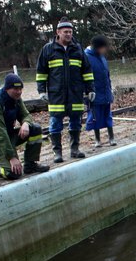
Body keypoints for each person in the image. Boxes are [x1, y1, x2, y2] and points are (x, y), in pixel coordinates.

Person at [35, 16, 95, 163]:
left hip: (75, 94)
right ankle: (57, 153)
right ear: (58, 32)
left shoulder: (78, 49)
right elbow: (41, 71)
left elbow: (86, 71)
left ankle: (74, 149)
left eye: (70, 31)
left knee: (75, 121)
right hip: (57, 95)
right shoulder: (48, 50)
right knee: (55, 123)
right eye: (65, 32)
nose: (68, 34)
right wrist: (42, 90)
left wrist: (90, 89)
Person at [0, 74, 49, 180]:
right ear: (7, 88)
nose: (19, 92)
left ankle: (30, 164)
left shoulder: (16, 98)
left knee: (35, 128)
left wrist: (26, 123)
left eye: (20, 89)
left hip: (8, 135)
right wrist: (12, 157)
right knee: (11, 172)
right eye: (15, 89)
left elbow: (26, 115)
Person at [85, 35, 116, 147]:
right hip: (94, 93)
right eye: (104, 47)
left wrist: (110, 89)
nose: (105, 50)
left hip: (105, 91)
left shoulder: (102, 58)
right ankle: (97, 139)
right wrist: (88, 91)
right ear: (98, 47)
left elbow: (107, 75)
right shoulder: (87, 57)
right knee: (95, 117)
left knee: (108, 115)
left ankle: (111, 137)